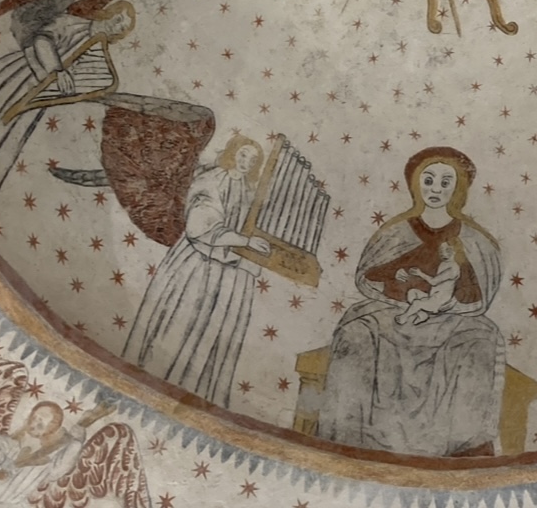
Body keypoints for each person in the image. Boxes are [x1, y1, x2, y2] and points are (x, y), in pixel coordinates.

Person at [317, 146, 504, 456]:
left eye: (445, 182)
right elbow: (373, 276)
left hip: (449, 318)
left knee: (482, 337)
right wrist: (403, 289)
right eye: (428, 180)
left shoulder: (474, 241)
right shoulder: (396, 233)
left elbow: (475, 292)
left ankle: (463, 449)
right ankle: (346, 438)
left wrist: (446, 301)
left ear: (458, 188)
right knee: (356, 329)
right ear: (415, 184)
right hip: (394, 310)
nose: (436, 189)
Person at [0, 0, 135, 224]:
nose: (117, 27)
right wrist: (56, 71)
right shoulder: (73, 23)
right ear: (108, 13)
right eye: (118, 19)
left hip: (35, 99)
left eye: (122, 27)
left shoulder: (98, 52)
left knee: (3, 138)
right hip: (21, 76)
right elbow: (42, 41)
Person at [123, 135, 271, 410]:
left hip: (228, 277)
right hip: (197, 267)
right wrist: (245, 242)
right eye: (242, 154)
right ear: (232, 152)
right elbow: (200, 226)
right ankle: (155, 389)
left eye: (252, 160)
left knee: (211, 337)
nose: (246, 162)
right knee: (178, 327)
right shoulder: (211, 179)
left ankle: (194, 399)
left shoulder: (250, 193)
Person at [394, 240, 461, 326]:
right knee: (412, 292)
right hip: (432, 296)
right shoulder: (444, 263)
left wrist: (420, 273)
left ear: (452, 250)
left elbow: (434, 282)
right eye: (440, 250)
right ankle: (422, 315)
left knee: (417, 303)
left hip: (440, 301)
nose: (440, 252)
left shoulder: (453, 268)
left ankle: (403, 317)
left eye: (443, 250)